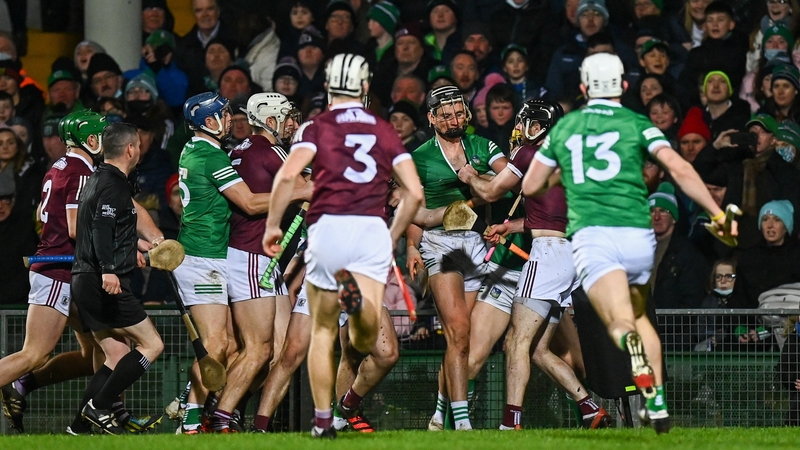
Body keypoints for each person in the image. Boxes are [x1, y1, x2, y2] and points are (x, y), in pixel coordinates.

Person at [521, 53, 732, 434]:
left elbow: (531, 185)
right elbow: (680, 168)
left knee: (618, 320)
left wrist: (564, 178)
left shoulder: (567, 127)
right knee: (638, 313)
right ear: (624, 85)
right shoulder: (638, 123)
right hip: (637, 235)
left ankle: (634, 356)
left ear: (584, 88)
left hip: (595, 236)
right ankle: (657, 397)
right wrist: (716, 214)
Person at [262, 53, 423, 438]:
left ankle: (322, 422)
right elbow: (414, 192)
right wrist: (393, 234)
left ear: (327, 86)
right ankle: (357, 319)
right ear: (366, 86)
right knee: (365, 338)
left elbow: (286, 177)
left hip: (329, 229)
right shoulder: (384, 129)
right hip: (369, 230)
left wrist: (272, 225)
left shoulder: (315, 127)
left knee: (322, 332)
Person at [458, 99, 610, 430]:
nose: (520, 127)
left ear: (538, 125)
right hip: (573, 253)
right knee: (539, 349)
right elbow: (551, 213)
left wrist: (469, 175)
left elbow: (493, 192)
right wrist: (509, 227)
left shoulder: (530, 153)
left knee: (516, 342)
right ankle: (589, 408)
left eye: (526, 120)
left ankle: (510, 424)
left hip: (548, 253)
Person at [405, 85, 508, 431]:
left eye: (459, 113)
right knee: (459, 330)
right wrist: (410, 247)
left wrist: (474, 177)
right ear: (432, 118)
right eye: (446, 115)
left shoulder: (483, 146)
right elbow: (413, 210)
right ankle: (462, 424)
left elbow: (507, 176)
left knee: (459, 341)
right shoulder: (418, 157)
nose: (454, 120)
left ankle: (439, 413)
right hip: (438, 243)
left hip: (477, 244)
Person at [209, 93, 313, 433]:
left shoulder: (241, 149)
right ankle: (221, 416)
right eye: (287, 118)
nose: (293, 125)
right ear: (270, 121)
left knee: (280, 350)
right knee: (258, 348)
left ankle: (230, 408)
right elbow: (308, 187)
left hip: (250, 255)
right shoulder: (271, 152)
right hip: (255, 257)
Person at [172, 92, 273, 433]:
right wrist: (301, 191)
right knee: (215, 345)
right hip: (203, 258)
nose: (231, 119)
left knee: (228, 345)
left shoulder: (196, 149)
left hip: (205, 254)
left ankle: (197, 409)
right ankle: (189, 419)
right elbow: (249, 203)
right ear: (209, 121)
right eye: (225, 114)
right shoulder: (211, 157)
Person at [71, 122, 165, 435]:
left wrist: (133, 247)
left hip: (83, 280)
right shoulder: (115, 183)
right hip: (100, 280)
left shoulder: (97, 178)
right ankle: (99, 407)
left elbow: (109, 227)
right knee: (152, 345)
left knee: (116, 353)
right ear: (130, 149)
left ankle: (78, 429)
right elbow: (100, 228)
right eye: (137, 144)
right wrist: (110, 268)